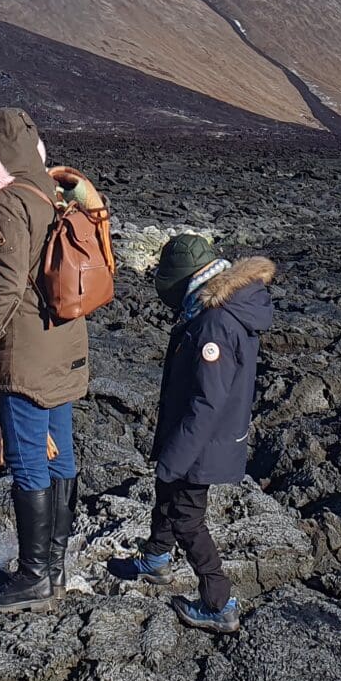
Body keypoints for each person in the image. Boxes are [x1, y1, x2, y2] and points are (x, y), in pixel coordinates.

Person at [0, 108, 87, 611]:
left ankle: (33, 577)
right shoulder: (48, 192)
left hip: (26, 353)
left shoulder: (7, 201)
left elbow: (5, 291)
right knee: (61, 454)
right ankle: (54, 567)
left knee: (29, 461)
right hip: (65, 343)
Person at [112, 234, 275, 634]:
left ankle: (218, 602)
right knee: (169, 496)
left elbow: (207, 402)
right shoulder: (220, 308)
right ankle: (154, 558)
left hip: (202, 445)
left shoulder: (214, 324)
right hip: (201, 439)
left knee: (187, 519)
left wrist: (176, 457)